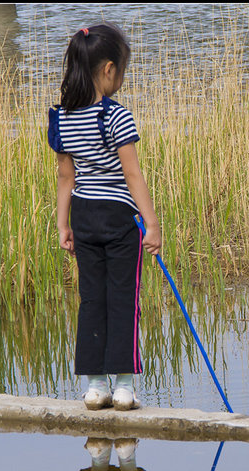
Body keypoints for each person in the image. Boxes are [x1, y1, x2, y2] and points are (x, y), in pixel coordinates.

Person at [50, 24, 162, 411]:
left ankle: (95, 385)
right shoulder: (116, 117)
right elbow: (132, 174)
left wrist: (63, 224)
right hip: (118, 219)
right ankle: (125, 385)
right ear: (109, 69)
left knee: (91, 300)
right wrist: (152, 224)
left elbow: (67, 176)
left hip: (83, 216)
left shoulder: (61, 118)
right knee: (123, 300)